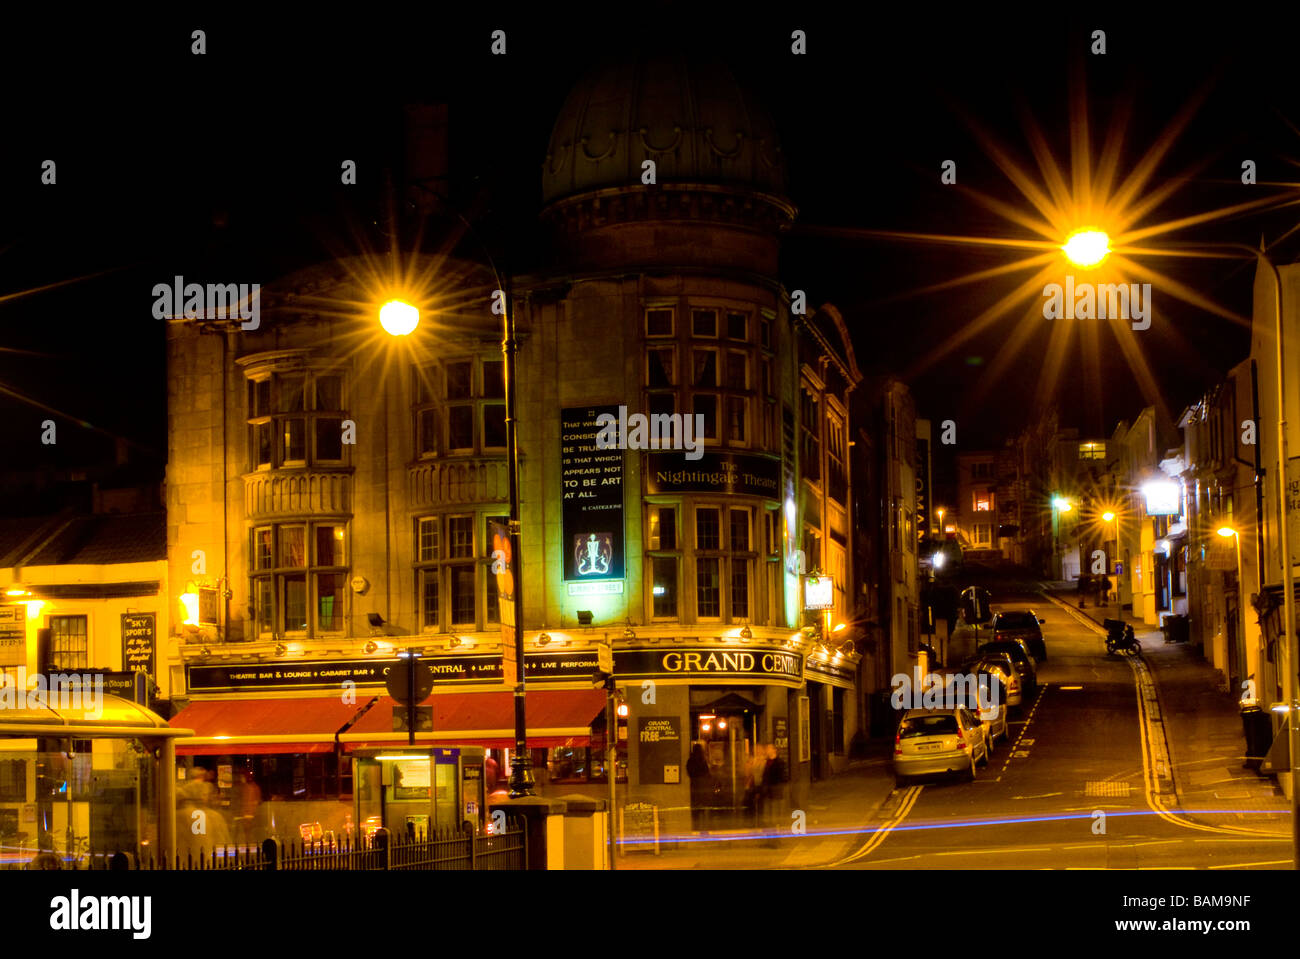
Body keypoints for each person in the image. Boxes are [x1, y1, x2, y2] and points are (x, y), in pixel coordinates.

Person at [761, 744, 787, 845]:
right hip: (768, 794)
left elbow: (783, 777)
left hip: (775, 794)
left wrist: (777, 788)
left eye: (768, 749)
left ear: (774, 750)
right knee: (768, 819)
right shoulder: (768, 762)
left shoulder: (779, 763)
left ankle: (775, 840)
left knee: (774, 818)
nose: (767, 750)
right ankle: (770, 839)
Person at [685, 743, 712, 832]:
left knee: (696, 810)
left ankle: (695, 828)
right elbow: (708, 774)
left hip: (695, 787)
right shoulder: (703, 761)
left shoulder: (690, 761)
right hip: (703, 788)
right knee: (704, 809)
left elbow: (689, 772)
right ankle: (704, 829)